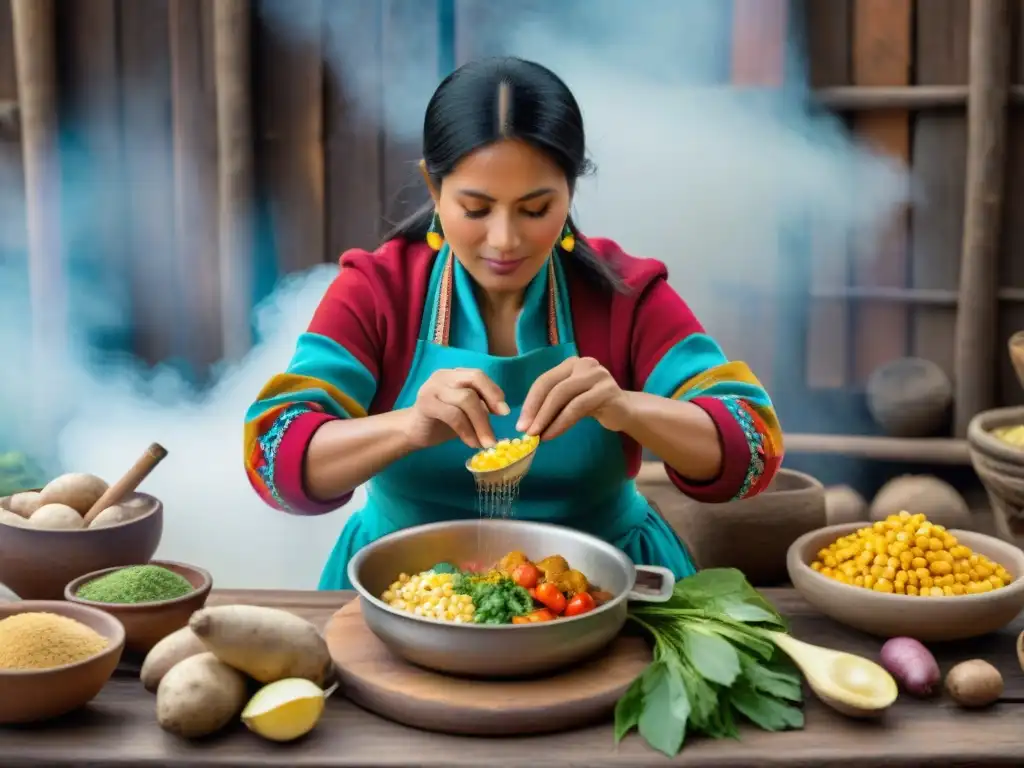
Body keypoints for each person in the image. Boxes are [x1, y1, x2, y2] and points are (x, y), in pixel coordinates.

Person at [243, 57, 784, 590]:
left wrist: (625, 407)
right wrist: (406, 427)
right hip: (400, 594)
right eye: (476, 209)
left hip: (605, 595)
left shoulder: (625, 295)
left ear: (570, 190)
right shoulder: (380, 290)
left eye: (535, 209)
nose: (504, 241)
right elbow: (272, 459)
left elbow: (752, 447)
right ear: (433, 189)